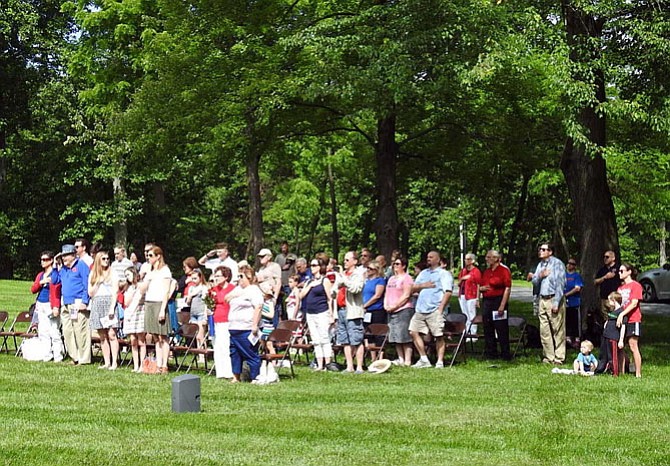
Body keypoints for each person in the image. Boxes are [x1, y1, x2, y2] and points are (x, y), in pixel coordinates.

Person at [409, 250, 453, 368]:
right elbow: (413, 288)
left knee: (438, 335)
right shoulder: (423, 273)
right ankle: (424, 359)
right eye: (428, 257)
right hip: (421, 309)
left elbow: (448, 292)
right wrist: (423, 285)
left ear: (438, 260)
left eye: (431, 257)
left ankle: (439, 361)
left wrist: (440, 308)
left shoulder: (444, 274)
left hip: (434, 309)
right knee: (413, 332)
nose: (428, 259)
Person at [52, 244, 91, 365]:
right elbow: (54, 280)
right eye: (63, 256)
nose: (64, 258)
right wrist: (54, 267)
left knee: (80, 330)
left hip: (77, 302)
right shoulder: (63, 268)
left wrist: (85, 301)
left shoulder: (81, 265)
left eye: (66, 255)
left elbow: (87, 283)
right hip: (66, 302)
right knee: (67, 330)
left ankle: (84, 358)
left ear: (74, 255)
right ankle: (75, 357)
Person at [529, 243, 567, 365]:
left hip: (553, 298)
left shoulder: (557, 264)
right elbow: (534, 281)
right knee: (544, 330)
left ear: (550, 252)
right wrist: (540, 275)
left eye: (544, 249)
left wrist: (556, 303)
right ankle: (548, 356)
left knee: (557, 329)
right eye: (540, 249)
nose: (541, 251)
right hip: (542, 299)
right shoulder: (540, 265)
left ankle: (559, 357)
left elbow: (561, 284)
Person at [225, 265, 263, 383]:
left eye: (241, 276)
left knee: (250, 353)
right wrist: (236, 294)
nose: (239, 279)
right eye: (238, 276)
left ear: (249, 277)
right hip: (234, 328)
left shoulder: (254, 290)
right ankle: (236, 377)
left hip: (246, 328)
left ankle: (255, 377)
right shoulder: (238, 289)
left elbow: (258, 307)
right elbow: (226, 298)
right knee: (234, 353)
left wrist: (254, 325)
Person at [141, 246, 172, 374]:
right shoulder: (150, 271)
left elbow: (166, 291)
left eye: (151, 255)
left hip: (160, 303)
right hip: (150, 303)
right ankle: (158, 364)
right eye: (147, 256)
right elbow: (143, 288)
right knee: (155, 336)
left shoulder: (165, 271)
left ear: (158, 256)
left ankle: (164, 364)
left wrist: (162, 310)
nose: (149, 258)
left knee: (163, 336)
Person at [300, 256, 334, 371]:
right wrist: (310, 286)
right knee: (315, 338)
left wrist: (331, 314)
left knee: (324, 337)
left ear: (320, 267)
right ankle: (319, 364)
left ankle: (328, 363)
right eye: (311, 265)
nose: (312, 267)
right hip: (310, 313)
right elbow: (301, 295)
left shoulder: (325, 280)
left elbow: (330, 298)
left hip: (322, 312)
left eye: (314, 265)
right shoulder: (309, 281)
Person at [29, 251, 63, 362]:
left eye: (45, 260)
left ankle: (58, 355)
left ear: (51, 260)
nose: (42, 262)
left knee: (54, 330)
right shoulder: (40, 275)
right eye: (42, 260)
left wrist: (56, 306)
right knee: (43, 330)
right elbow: (33, 289)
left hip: (51, 304)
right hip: (40, 303)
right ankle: (47, 354)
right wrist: (41, 282)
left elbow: (57, 288)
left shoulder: (56, 273)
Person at [88, 251, 120, 370]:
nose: (106, 260)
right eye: (103, 259)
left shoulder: (113, 272)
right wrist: (98, 281)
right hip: (97, 302)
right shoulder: (93, 274)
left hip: (109, 303)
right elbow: (90, 292)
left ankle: (114, 362)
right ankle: (107, 362)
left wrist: (112, 308)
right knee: (102, 335)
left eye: (107, 258)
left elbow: (115, 291)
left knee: (111, 333)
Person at [335, 251, 366, 373]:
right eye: (344, 260)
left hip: (353, 311)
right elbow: (336, 289)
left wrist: (345, 280)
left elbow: (355, 289)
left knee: (356, 339)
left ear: (355, 261)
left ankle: (359, 367)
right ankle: (349, 366)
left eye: (347, 260)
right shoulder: (343, 275)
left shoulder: (358, 275)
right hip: (341, 310)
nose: (345, 262)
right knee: (345, 340)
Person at [479, 250, 512, 361]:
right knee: (488, 327)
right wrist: (481, 289)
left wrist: (502, 305)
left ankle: (505, 353)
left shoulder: (504, 271)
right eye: (487, 257)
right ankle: (491, 352)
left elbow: (507, 288)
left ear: (496, 258)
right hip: (487, 301)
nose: (487, 259)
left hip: (498, 300)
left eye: (489, 257)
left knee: (501, 327)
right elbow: (481, 284)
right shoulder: (487, 271)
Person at [383, 255, 414, 366]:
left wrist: (395, 306)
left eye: (397, 264)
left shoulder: (407, 278)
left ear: (404, 266)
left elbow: (406, 295)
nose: (395, 266)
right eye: (394, 264)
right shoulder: (391, 279)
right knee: (395, 335)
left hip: (403, 310)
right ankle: (400, 358)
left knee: (404, 336)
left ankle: (408, 360)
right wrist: (386, 305)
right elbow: (387, 293)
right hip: (391, 310)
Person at [617, 262, 643, 377]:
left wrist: (622, 314)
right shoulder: (620, 288)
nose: (619, 273)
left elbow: (634, 303)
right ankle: (621, 372)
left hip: (633, 319)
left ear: (629, 272)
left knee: (633, 345)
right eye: (619, 271)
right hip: (622, 320)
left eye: (622, 271)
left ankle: (638, 374)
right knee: (621, 346)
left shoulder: (635, 285)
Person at [210, 266, 235, 379]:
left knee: (225, 346)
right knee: (217, 346)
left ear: (226, 277)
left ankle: (229, 371)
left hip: (227, 320)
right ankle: (220, 372)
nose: (216, 278)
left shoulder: (232, 289)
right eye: (215, 276)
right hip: (215, 320)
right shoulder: (213, 290)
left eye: (218, 276)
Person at [122, 266, 146, 373]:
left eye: (128, 274)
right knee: (133, 340)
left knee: (141, 340)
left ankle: (142, 365)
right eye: (125, 275)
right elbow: (126, 303)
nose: (127, 277)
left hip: (140, 312)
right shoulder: (129, 288)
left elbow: (141, 298)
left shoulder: (141, 286)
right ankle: (135, 365)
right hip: (130, 314)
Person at [363, 259, 387, 360]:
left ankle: (380, 357)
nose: (368, 270)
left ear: (376, 270)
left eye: (370, 268)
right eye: (367, 268)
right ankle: (373, 358)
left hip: (376, 310)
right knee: (369, 334)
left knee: (378, 334)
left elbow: (377, 295)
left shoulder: (380, 280)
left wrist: (365, 305)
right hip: (366, 312)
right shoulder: (367, 281)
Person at [185, 268, 209, 357]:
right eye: (192, 278)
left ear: (200, 277)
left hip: (201, 313)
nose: (193, 281)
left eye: (195, 278)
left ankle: (203, 355)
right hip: (193, 313)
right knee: (195, 336)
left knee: (200, 335)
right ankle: (199, 353)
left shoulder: (203, 288)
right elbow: (188, 303)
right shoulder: (191, 288)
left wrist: (205, 315)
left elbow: (207, 302)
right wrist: (189, 297)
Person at [458, 253, 481, 340]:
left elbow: (478, 284)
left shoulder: (476, 271)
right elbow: (459, 283)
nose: (466, 261)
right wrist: (463, 279)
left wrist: (478, 298)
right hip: (463, 294)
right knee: (465, 315)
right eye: (465, 259)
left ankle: (473, 334)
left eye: (468, 259)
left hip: (471, 295)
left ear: (472, 261)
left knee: (472, 315)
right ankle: (467, 332)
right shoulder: (463, 271)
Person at [594, 250, 620, 320]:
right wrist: (604, 277)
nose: (605, 258)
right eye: (604, 257)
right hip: (604, 298)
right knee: (605, 317)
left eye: (607, 257)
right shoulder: (602, 270)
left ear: (613, 258)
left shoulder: (618, 268)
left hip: (614, 298)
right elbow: (595, 281)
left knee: (614, 316)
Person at [564, 258, 583, 348]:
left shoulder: (576, 276)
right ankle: (567, 338)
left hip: (574, 302)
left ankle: (576, 339)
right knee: (566, 320)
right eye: (568, 263)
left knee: (575, 321)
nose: (569, 265)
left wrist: (567, 294)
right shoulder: (564, 275)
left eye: (572, 264)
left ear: (575, 266)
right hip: (565, 303)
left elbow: (577, 288)